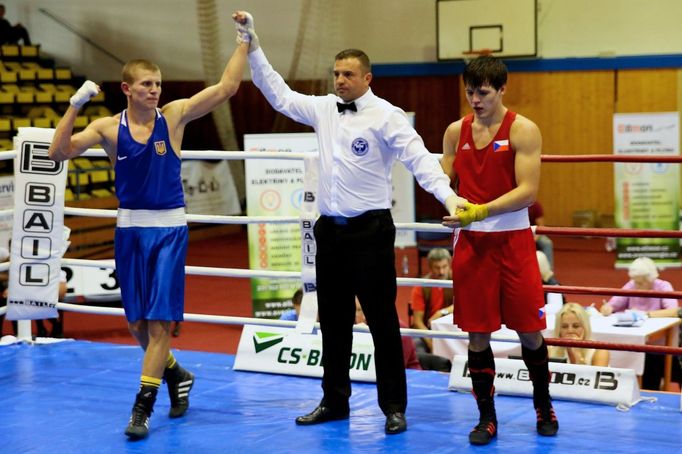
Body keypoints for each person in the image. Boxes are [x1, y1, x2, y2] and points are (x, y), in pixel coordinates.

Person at [232, 11, 461, 435]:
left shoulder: (388, 117)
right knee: (333, 323)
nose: (339, 80)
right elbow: (278, 94)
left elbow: (420, 161)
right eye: (336, 73)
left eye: (348, 74)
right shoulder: (323, 108)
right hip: (330, 232)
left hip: (371, 232)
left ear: (367, 78)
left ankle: (393, 405)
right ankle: (334, 401)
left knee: (382, 322)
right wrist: (255, 46)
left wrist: (450, 198)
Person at [48, 34, 249, 439]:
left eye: (157, 83)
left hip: (169, 231)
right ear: (127, 89)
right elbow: (58, 153)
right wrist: (74, 105)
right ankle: (175, 374)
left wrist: (245, 43)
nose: (155, 90)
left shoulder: (173, 117)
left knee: (158, 325)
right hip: (129, 231)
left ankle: (142, 409)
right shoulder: (108, 128)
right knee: (136, 322)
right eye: (146, 84)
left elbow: (226, 88)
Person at [441, 55, 558, 445]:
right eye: (470, 92)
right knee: (478, 334)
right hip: (472, 244)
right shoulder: (455, 132)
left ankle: (544, 405)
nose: (475, 100)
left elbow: (528, 191)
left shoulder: (524, 130)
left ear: (502, 89)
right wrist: (449, 203)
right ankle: (487, 418)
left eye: (483, 92)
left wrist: (480, 210)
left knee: (529, 331)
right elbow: (443, 179)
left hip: (513, 242)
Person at [600, 256, 677, 390]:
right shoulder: (631, 284)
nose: (637, 286)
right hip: (632, 337)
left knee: (651, 361)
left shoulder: (663, 286)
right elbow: (613, 304)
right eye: (636, 282)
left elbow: (674, 310)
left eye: (641, 283)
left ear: (650, 279)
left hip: (656, 342)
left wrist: (647, 315)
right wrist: (608, 308)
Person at [355, 299, 421, 370]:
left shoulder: (400, 329)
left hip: (408, 377)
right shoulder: (355, 328)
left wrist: (367, 338)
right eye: (359, 310)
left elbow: (393, 368)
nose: (365, 317)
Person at [410, 248, 453, 351]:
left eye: (444, 267)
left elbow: (464, 306)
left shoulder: (457, 281)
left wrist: (441, 312)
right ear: (429, 267)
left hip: (451, 330)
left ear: (449, 265)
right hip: (427, 331)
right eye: (437, 268)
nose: (441, 271)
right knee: (416, 348)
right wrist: (430, 341)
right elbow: (417, 321)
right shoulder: (421, 287)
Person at [528, 200, 554, 268]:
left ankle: (548, 273)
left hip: (534, 232)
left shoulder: (535, 205)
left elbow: (541, 226)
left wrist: (535, 238)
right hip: (519, 233)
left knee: (547, 243)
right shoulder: (516, 206)